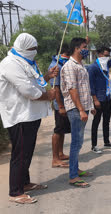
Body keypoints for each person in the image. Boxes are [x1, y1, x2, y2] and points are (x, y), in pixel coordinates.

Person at [0, 33, 58, 204]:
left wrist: (47, 76)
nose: (35, 51)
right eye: (33, 49)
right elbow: (27, 90)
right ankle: (15, 192)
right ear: (24, 48)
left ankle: (24, 183)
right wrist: (48, 95)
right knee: (21, 154)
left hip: (31, 114)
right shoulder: (10, 64)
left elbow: (35, 82)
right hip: (19, 116)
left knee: (27, 151)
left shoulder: (26, 62)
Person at [60, 37, 96, 187]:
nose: (86, 49)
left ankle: (76, 169)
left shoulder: (81, 65)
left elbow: (84, 87)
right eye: (84, 46)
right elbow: (73, 90)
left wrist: (90, 105)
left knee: (79, 142)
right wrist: (81, 110)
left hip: (83, 107)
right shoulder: (69, 66)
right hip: (76, 109)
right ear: (76, 48)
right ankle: (73, 176)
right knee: (76, 142)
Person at [88, 37, 111, 154]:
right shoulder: (93, 67)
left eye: (108, 55)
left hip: (107, 97)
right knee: (96, 121)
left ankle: (106, 142)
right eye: (105, 55)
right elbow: (91, 85)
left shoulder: (107, 65)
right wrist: (95, 100)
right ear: (99, 54)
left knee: (106, 121)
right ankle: (94, 145)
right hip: (98, 99)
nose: (107, 58)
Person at [50, 44, 71, 168]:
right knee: (58, 130)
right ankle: (55, 159)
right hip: (60, 104)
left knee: (62, 130)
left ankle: (60, 153)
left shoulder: (63, 64)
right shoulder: (56, 66)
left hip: (65, 103)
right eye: (67, 55)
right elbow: (56, 89)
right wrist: (61, 106)